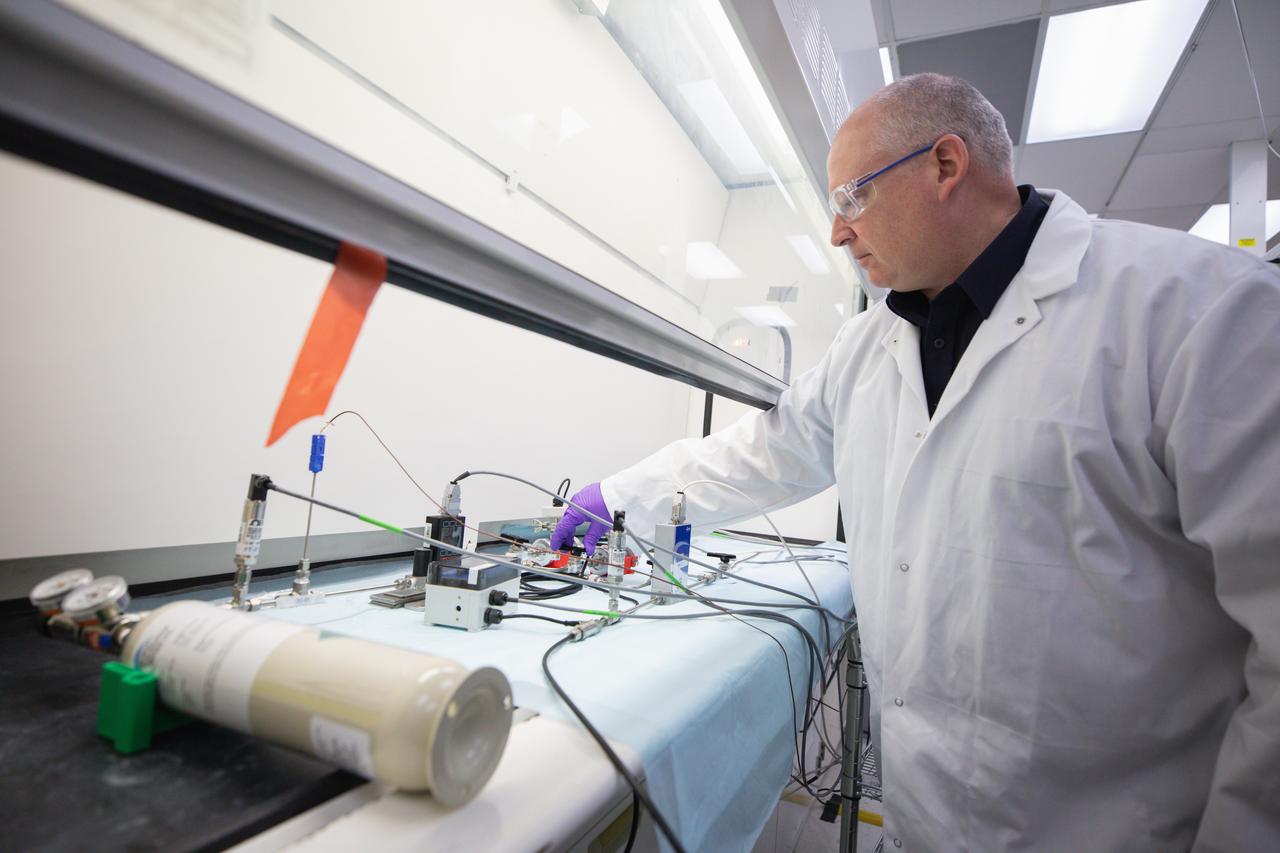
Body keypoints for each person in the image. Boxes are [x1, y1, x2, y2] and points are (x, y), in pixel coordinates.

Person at [551, 73, 1280, 851]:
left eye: (851, 200)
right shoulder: (867, 346)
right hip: (919, 822)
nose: (837, 233)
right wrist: (619, 497)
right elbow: (763, 452)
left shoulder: (1199, 309)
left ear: (945, 165)